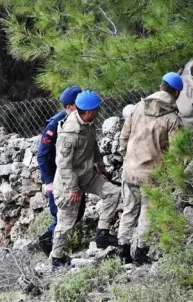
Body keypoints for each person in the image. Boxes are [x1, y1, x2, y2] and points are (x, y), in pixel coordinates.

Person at [117, 73, 183, 266]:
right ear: (177, 93)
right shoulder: (172, 119)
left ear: (160, 87)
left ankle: (122, 250)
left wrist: (127, 159)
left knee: (129, 210)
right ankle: (140, 254)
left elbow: (123, 138)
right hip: (153, 175)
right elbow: (177, 154)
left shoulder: (137, 108)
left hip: (129, 171)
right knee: (147, 212)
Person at [50, 90, 120, 268]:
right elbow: (64, 164)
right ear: (88, 111)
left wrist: (100, 164)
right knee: (66, 223)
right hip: (68, 184)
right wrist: (73, 188)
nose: (99, 111)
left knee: (113, 192)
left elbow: (93, 143)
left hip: (88, 175)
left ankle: (102, 233)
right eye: (96, 109)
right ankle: (56, 258)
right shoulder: (69, 133)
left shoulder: (88, 123)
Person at [36, 85, 86, 256]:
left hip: (73, 175)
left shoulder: (81, 122)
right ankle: (49, 245)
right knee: (60, 214)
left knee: (78, 212)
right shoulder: (55, 124)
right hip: (58, 177)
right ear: (70, 107)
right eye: (78, 105)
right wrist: (48, 181)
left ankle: (53, 245)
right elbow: (42, 155)